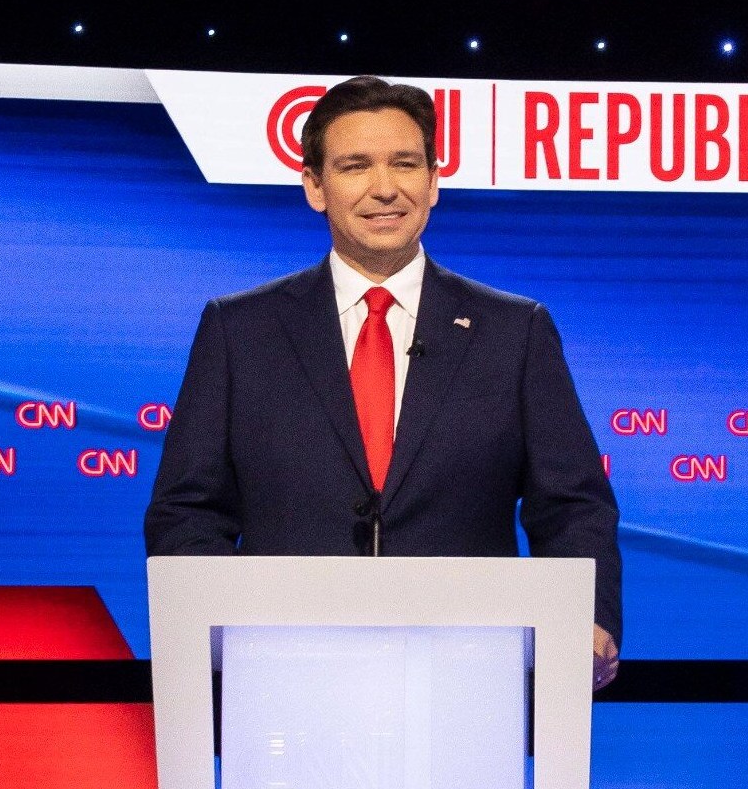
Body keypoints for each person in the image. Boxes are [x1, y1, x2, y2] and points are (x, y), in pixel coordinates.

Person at [145, 76, 623, 686]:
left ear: (434, 181)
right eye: (355, 166)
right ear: (315, 186)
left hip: (467, 675)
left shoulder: (515, 332)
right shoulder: (240, 331)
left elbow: (573, 505)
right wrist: (212, 630)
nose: (385, 188)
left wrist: (588, 618)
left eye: (405, 163)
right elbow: (189, 509)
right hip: (283, 673)